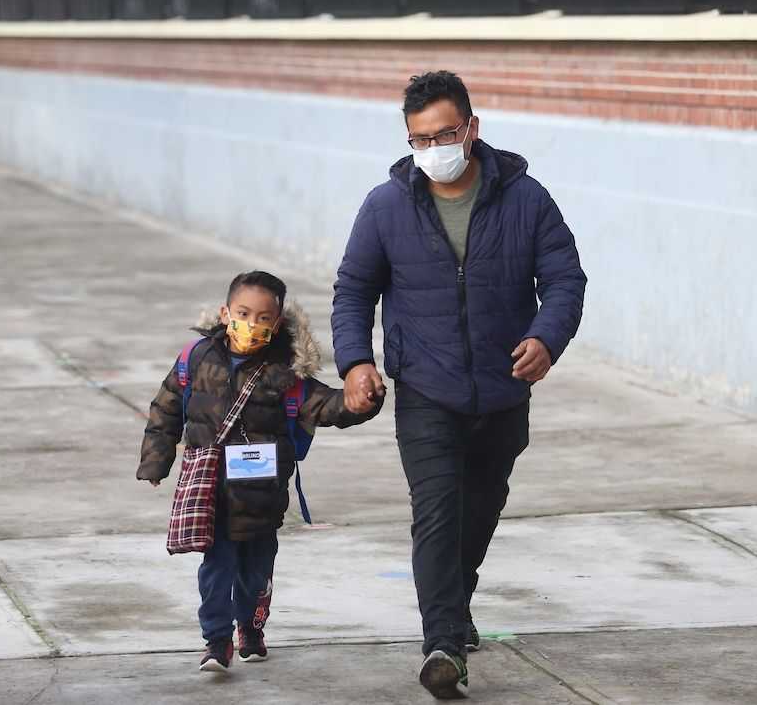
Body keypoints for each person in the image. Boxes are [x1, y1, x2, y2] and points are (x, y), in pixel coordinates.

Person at [332, 71, 587, 700]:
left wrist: (546, 339)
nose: (432, 149)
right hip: (425, 387)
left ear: (471, 129)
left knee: (482, 502)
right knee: (438, 511)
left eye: (443, 133)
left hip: (503, 388)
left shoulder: (526, 199)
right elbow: (354, 290)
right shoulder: (387, 205)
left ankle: (457, 598)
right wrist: (355, 363)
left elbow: (565, 280)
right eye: (419, 138)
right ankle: (442, 641)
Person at [139, 271, 381, 674]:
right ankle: (216, 642)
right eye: (243, 313)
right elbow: (165, 409)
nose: (252, 324)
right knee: (216, 572)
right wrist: (155, 459)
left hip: (263, 496)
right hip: (212, 494)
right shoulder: (196, 360)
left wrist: (361, 402)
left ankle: (250, 628)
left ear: (278, 323)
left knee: (254, 574)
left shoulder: (286, 375)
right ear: (225, 312)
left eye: (263, 317)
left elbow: (328, 407)